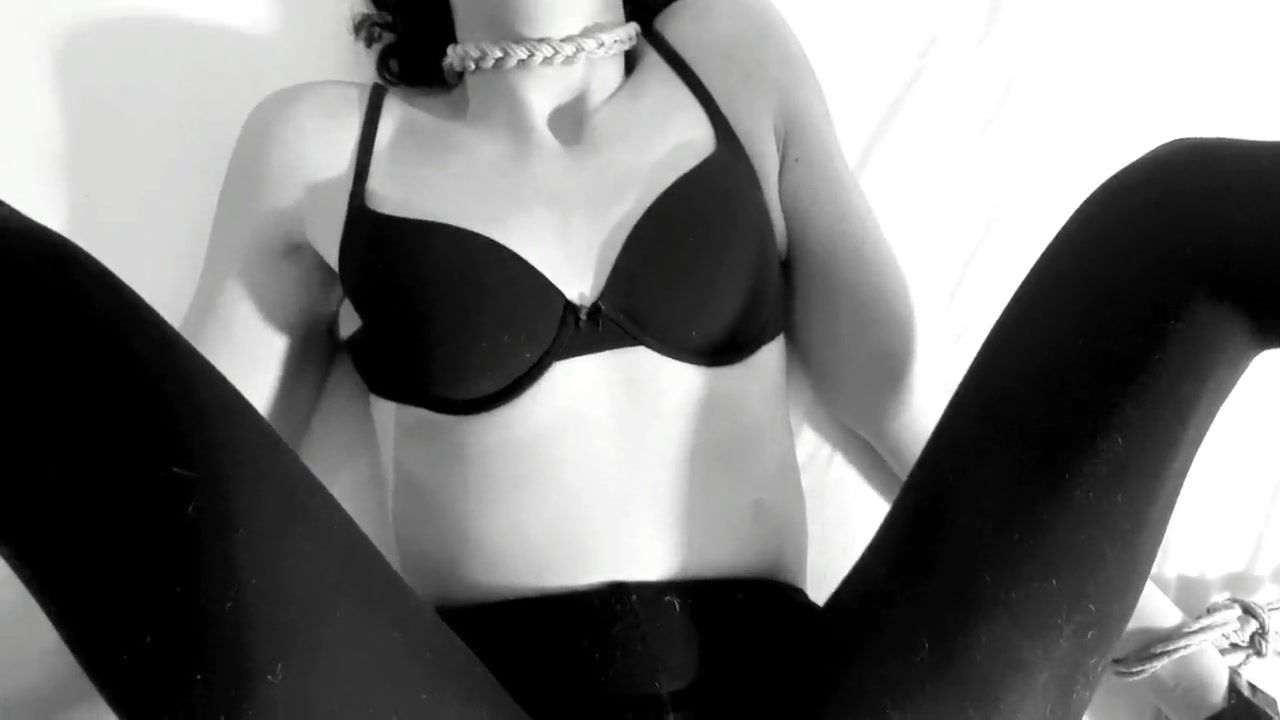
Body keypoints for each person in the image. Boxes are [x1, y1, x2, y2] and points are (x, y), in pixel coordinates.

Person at [1, 0, 1277, 717]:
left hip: (823, 701)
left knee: (1189, 218)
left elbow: (897, 409)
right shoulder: (321, 145)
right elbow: (175, 503)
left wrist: (1172, 657)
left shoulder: (730, 55)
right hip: (466, 700)